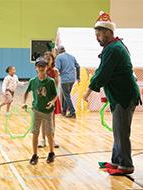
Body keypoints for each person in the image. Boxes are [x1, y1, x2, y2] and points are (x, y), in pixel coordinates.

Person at [83, 11, 141, 175]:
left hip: (124, 97)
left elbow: (102, 74)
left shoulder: (113, 49)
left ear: (108, 32)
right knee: (118, 130)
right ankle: (117, 161)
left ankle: (126, 165)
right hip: (121, 96)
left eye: (99, 34)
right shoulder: (114, 46)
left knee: (121, 132)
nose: (97, 37)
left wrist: (87, 92)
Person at [23, 57, 57, 165]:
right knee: (35, 133)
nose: (41, 68)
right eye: (39, 66)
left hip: (47, 111)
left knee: (49, 133)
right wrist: (24, 102)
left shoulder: (50, 82)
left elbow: (55, 95)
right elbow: (26, 92)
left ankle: (51, 152)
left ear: (47, 68)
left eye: (43, 66)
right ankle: (34, 155)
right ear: (36, 68)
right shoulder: (33, 81)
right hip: (36, 110)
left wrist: (52, 102)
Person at [38, 51, 61, 148]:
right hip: (43, 98)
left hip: (52, 98)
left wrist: (53, 98)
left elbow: (56, 85)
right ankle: (43, 139)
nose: (47, 61)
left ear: (52, 60)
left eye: (49, 59)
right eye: (45, 59)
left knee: (51, 120)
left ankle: (52, 139)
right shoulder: (41, 70)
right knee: (43, 119)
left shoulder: (54, 71)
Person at [55, 46, 80, 118]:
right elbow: (78, 66)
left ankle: (72, 112)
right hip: (72, 79)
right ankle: (64, 111)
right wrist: (78, 77)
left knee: (66, 96)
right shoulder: (72, 56)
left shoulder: (58, 57)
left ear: (58, 51)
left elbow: (58, 68)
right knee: (67, 95)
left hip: (65, 79)